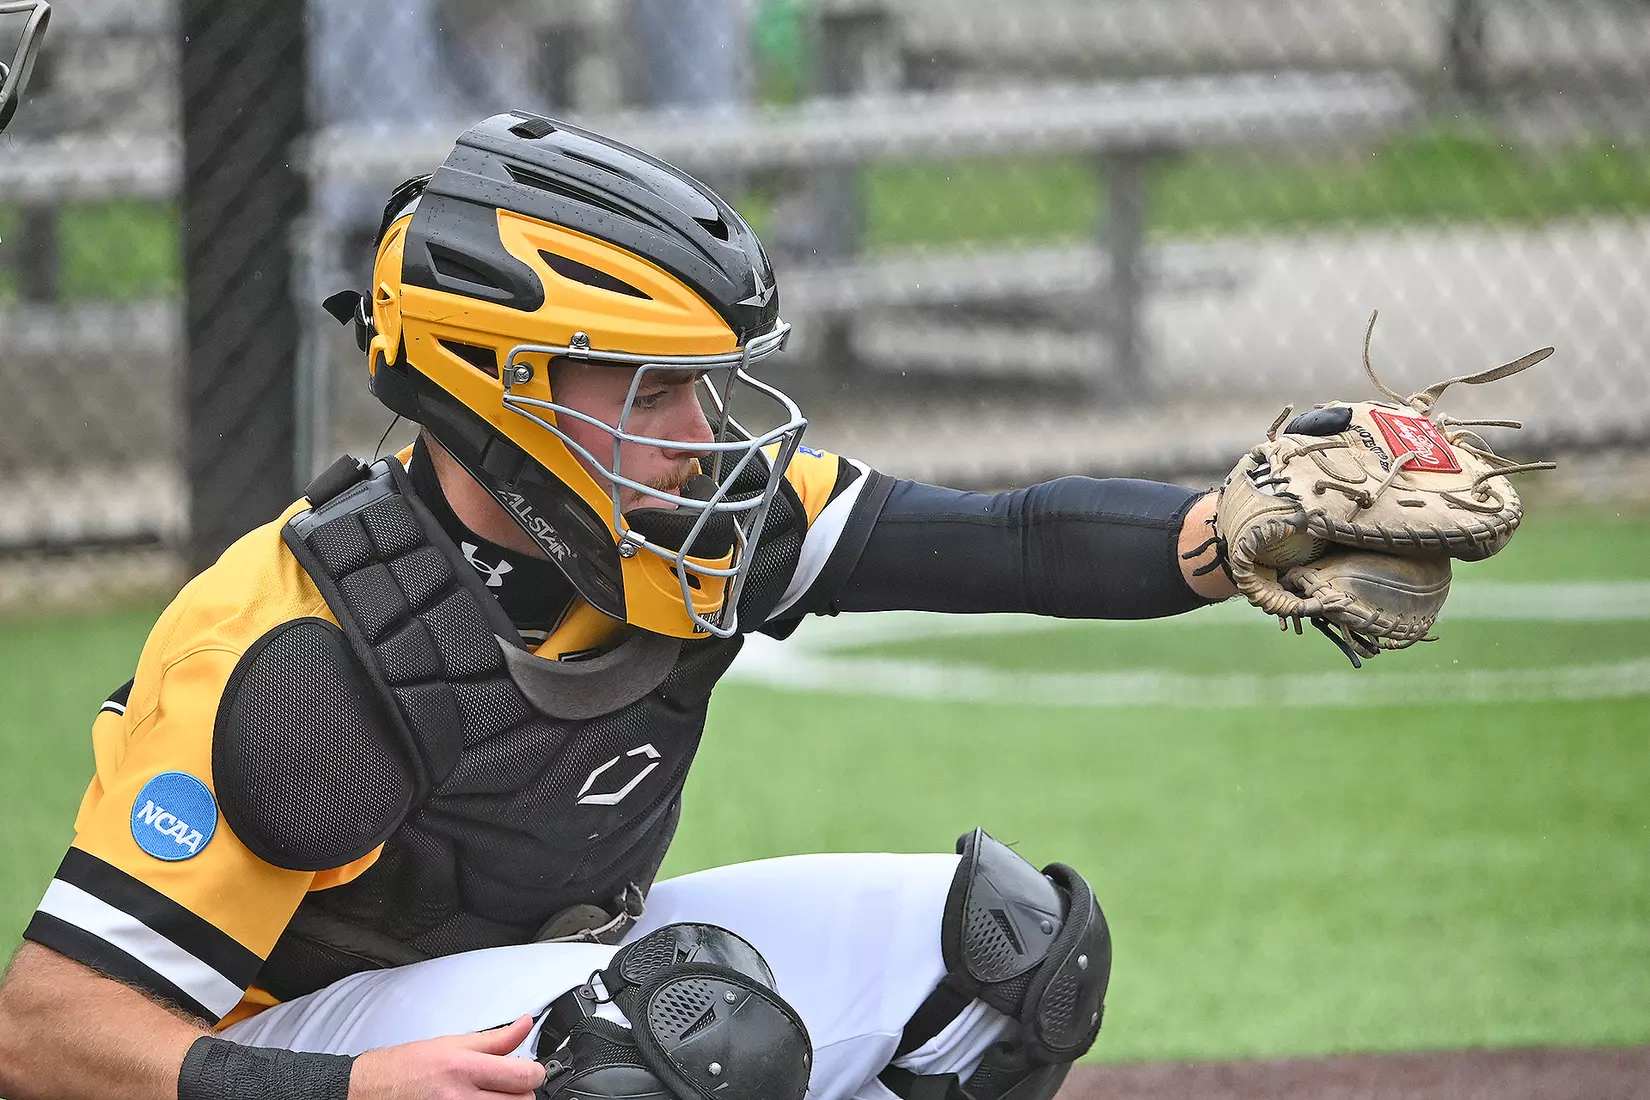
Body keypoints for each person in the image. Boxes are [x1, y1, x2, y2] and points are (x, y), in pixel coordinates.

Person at [0, 111, 1234, 1100]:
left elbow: (1006, 544)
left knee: (1005, 957)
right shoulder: (293, 641)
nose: (702, 440)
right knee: (670, 1043)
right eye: (650, 394)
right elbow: (51, 1035)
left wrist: (1232, 535)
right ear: (499, 387)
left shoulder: (694, 523)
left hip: (513, 1001)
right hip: (295, 1057)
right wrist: (351, 1082)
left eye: (706, 388)